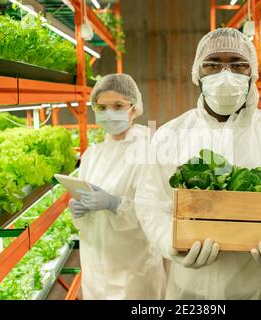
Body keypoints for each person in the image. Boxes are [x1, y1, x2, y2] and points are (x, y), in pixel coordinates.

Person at [134, 28, 261, 299]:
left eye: (238, 64)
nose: (225, 75)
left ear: (252, 73)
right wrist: (169, 244)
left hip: (260, 288)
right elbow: (150, 201)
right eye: (213, 65)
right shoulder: (169, 135)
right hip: (189, 291)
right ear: (197, 73)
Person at [68, 73, 166, 300]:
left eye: (118, 106)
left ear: (134, 108)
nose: (109, 113)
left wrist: (115, 205)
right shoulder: (93, 154)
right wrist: (78, 210)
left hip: (134, 268)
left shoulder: (148, 151)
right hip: (95, 264)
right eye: (101, 107)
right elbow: (82, 202)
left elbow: (156, 212)